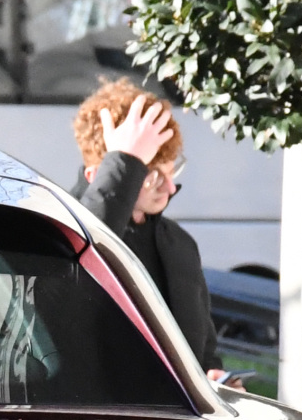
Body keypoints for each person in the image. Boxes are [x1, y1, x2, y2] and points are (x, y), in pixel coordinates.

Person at [70, 78, 221, 372]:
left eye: (172, 171)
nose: (170, 188)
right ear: (96, 175)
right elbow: (82, 258)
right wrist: (126, 161)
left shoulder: (180, 244)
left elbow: (204, 348)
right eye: (151, 177)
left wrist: (215, 374)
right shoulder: (61, 233)